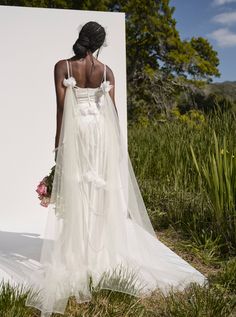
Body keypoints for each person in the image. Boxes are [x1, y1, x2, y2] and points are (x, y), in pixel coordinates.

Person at [24, 21, 208, 317]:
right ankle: (97, 253)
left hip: (77, 131)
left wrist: (58, 144)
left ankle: (76, 253)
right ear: (100, 43)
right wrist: (116, 145)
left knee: (76, 186)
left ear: (80, 38)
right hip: (100, 135)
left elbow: (61, 109)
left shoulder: (63, 67)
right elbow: (113, 113)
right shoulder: (107, 71)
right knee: (98, 188)